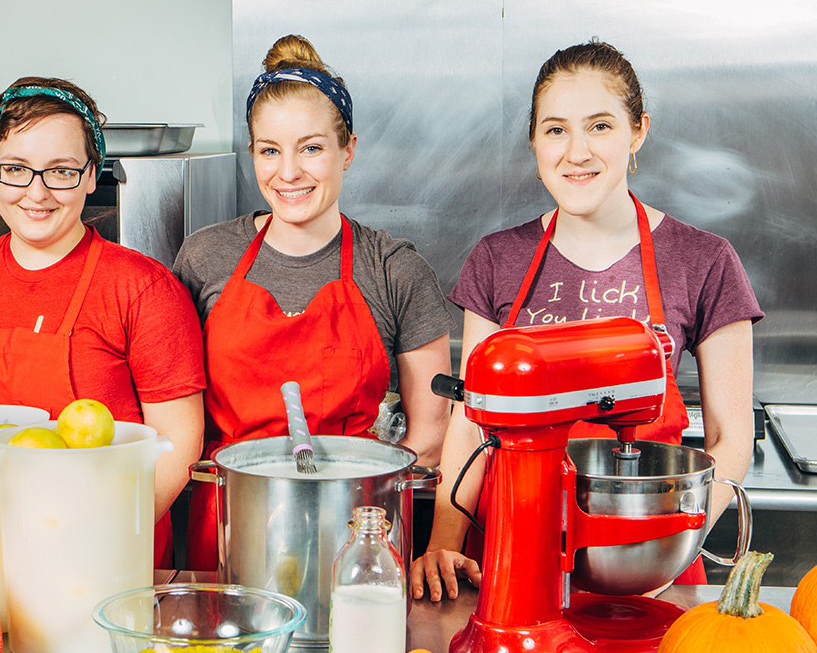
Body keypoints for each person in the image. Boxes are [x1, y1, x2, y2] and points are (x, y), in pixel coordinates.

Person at [413, 40, 763, 600]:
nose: (576, 152)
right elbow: (471, 420)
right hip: (511, 555)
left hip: (649, 557)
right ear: (534, 142)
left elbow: (731, 438)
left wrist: (667, 550)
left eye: (599, 126)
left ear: (637, 132)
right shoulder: (498, 259)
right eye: (555, 130)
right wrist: (443, 543)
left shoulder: (704, 260)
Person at [173, 35, 455, 570]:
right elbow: (173, 413)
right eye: (270, 150)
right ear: (252, 151)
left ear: (348, 150)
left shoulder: (395, 269)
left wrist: (359, 518)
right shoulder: (206, 256)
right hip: (228, 527)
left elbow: (431, 435)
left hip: (353, 532)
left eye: (311, 148)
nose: (289, 173)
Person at [0, 76, 205, 569]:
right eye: (16, 169)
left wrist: (102, 541)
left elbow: (176, 446)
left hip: (89, 565)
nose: (37, 192)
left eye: (62, 171)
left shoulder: (142, 288)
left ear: (92, 176)